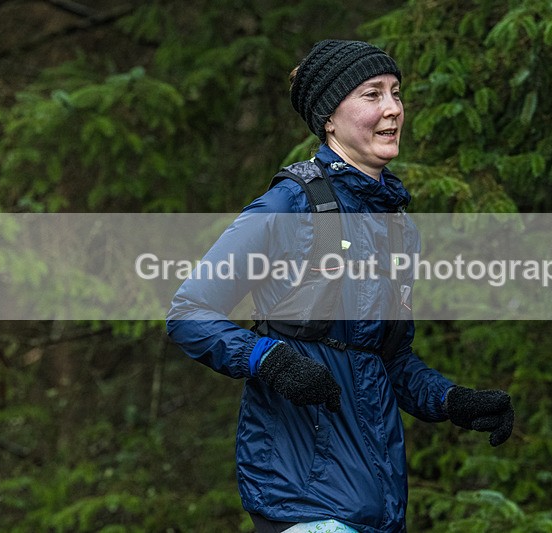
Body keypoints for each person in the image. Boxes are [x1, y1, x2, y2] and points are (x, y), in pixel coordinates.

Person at [166, 39, 514, 532]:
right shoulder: (291, 206)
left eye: (396, 92)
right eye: (372, 94)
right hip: (302, 497)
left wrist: (452, 400)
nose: (393, 108)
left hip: (376, 503)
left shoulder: (396, 226)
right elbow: (189, 312)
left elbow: (384, 358)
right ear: (330, 117)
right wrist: (270, 358)